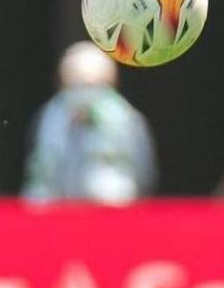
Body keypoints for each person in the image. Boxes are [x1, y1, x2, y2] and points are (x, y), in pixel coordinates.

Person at [23, 41, 156, 204]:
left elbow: (143, 172)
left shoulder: (126, 120)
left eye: (92, 85)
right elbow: (40, 173)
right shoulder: (50, 117)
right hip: (58, 214)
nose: (84, 94)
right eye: (75, 84)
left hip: (111, 214)